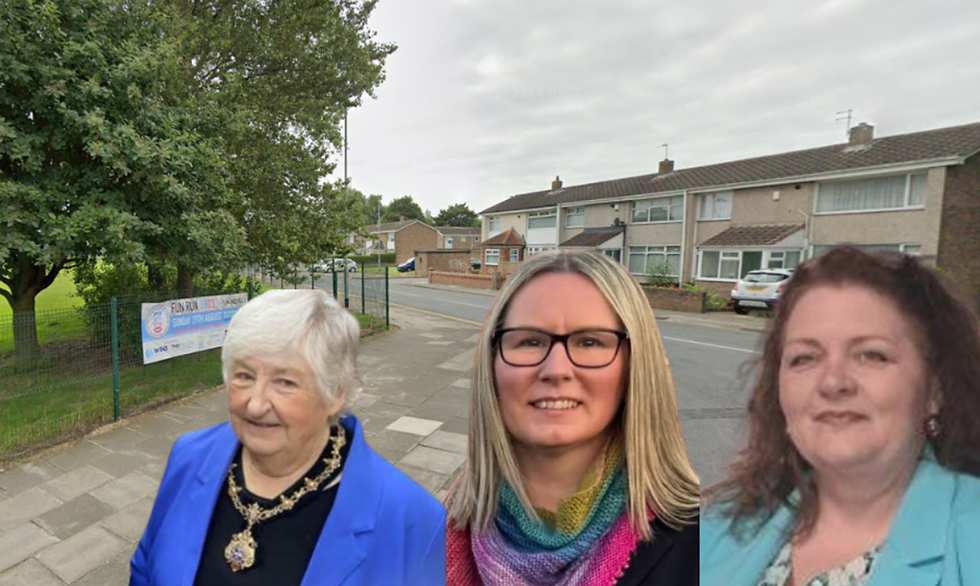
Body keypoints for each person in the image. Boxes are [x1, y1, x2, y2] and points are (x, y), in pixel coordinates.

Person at [701, 245, 980, 586]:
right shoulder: (719, 526)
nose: (833, 382)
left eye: (871, 355)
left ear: (935, 389)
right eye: (805, 358)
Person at [131, 289, 446, 586]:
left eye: (285, 382)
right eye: (244, 376)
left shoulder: (411, 519)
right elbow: (146, 568)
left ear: (336, 392)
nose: (256, 404)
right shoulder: (188, 456)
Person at [445, 249, 700, 586]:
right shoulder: (425, 537)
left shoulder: (716, 551)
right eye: (530, 341)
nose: (556, 369)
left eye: (590, 342)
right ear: (492, 365)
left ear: (635, 365)